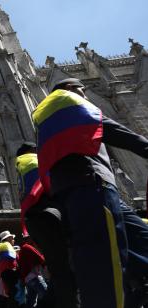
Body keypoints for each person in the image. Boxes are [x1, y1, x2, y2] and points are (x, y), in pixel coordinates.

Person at [32, 77, 148, 307]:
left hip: (70, 193)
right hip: (94, 186)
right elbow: (115, 132)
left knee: (111, 255)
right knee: (105, 268)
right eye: (83, 91)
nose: (86, 97)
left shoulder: (45, 116)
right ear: (72, 89)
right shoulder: (69, 102)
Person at [14, 142, 78, 307]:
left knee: (60, 272)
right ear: (32, 150)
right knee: (66, 270)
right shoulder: (33, 160)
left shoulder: (20, 164)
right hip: (48, 214)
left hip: (34, 218)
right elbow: (51, 183)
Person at [18, 235, 48, 308]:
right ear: (28, 239)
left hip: (28, 279)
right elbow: (41, 258)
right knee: (47, 295)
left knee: (31, 302)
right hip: (34, 277)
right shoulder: (27, 247)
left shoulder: (23, 249)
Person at [0, 230, 18, 305]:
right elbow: (11, 260)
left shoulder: (3, 248)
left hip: (6, 274)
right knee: (14, 295)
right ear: (7, 239)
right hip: (9, 273)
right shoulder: (6, 247)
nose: (13, 240)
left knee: (11, 295)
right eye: (12, 238)